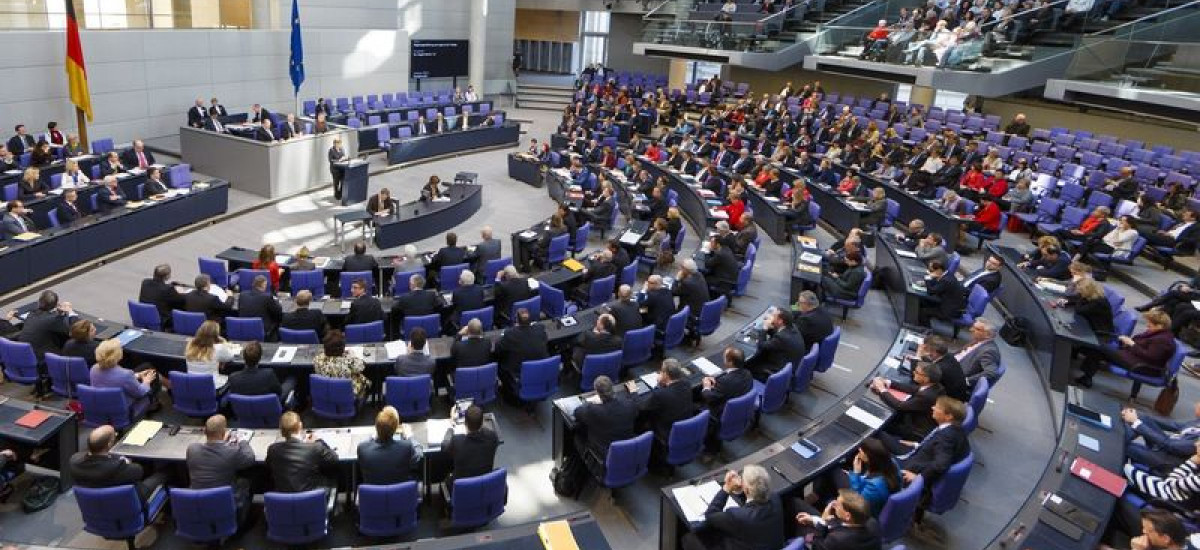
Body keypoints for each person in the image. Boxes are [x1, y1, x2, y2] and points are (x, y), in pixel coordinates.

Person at [681, 465, 786, 550]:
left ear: (747, 490)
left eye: (742, 478)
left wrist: (726, 488)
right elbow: (756, 497)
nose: (740, 478)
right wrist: (742, 490)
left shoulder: (738, 515)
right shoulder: (775, 497)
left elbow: (710, 515)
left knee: (689, 539)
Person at [69, 425, 167, 505]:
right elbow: (139, 471)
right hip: (127, 502)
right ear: (109, 444)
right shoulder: (118, 468)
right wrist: (126, 462)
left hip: (97, 502)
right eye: (115, 435)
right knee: (165, 472)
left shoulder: (74, 461)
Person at [1077, 309, 1176, 388]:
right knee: (1100, 350)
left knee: (1102, 348)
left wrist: (1132, 344)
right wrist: (1127, 342)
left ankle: (1086, 376)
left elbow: (1150, 356)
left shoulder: (1163, 340)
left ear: (1160, 326)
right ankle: (1086, 378)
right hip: (1135, 358)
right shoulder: (1159, 334)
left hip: (1142, 366)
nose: (1147, 325)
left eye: (1150, 324)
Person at [186, 414, 255, 525]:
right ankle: (242, 520)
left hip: (198, 502)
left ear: (205, 432)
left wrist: (222, 442)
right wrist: (242, 442)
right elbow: (250, 459)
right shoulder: (231, 451)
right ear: (224, 433)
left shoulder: (192, 449)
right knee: (248, 480)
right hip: (223, 502)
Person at [1123, 441, 1200, 531]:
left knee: (1120, 463)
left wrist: (1194, 461)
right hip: (1178, 495)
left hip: (1166, 494)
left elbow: (1170, 483)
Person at [897, 396, 971, 486]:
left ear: (948, 416)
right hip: (917, 457)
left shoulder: (946, 437)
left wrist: (919, 478)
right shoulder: (956, 429)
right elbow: (935, 447)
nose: (933, 408)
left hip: (909, 469)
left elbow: (940, 465)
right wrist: (917, 445)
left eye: (937, 407)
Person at [870, 362, 945, 447]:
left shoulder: (926, 396)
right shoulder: (936, 387)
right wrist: (888, 382)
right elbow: (912, 389)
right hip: (915, 420)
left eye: (917, 372)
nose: (913, 372)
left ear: (926, 378)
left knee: (875, 423)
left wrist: (882, 389)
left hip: (913, 430)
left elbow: (899, 406)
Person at [265, 412, 339, 493]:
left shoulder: (272, 450)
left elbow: (268, 465)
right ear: (300, 425)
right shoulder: (315, 447)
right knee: (331, 479)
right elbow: (334, 459)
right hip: (311, 499)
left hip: (283, 499)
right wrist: (318, 441)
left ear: (281, 430)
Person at [574, 375, 638, 466]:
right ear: (613, 389)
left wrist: (590, 403)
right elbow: (635, 403)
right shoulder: (628, 404)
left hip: (604, 455)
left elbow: (577, 412)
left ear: (597, 392)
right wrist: (633, 392)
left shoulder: (593, 410)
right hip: (626, 449)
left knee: (577, 437)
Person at [1122, 403, 1200, 475]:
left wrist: (1136, 422)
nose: (1196, 404)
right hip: (1165, 446)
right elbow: (1175, 425)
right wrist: (1136, 415)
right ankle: (1118, 436)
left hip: (1167, 461)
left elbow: (1170, 445)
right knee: (1143, 418)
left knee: (1125, 447)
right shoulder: (1198, 421)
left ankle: (1117, 444)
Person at [703, 347, 755, 453]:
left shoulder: (726, 381)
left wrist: (707, 387)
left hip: (721, 414)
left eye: (725, 357)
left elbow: (709, 397)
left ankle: (709, 446)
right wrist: (717, 383)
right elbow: (729, 388)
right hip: (740, 411)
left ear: (730, 362)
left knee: (697, 406)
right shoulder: (747, 374)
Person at [794, 490, 883, 550]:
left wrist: (822, 523)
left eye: (838, 504)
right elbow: (839, 526)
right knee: (799, 506)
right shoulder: (872, 522)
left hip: (821, 543)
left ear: (847, 516)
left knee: (800, 524)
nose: (833, 504)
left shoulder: (836, 539)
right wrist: (814, 520)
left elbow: (816, 545)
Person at [90, 339, 160, 414]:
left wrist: (137, 375)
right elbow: (140, 392)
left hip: (102, 407)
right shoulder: (125, 374)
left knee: (146, 366)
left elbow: (114, 380)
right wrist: (146, 381)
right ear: (118, 355)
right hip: (125, 411)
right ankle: (152, 406)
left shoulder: (94, 369)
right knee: (152, 377)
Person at [357, 406, 423, 485]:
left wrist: (372, 437)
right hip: (400, 494)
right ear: (395, 429)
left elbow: (366, 445)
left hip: (374, 496)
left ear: (376, 427)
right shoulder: (406, 447)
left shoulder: (362, 449)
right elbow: (418, 456)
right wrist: (410, 437)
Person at [639, 359, 695, 444]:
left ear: (665, 374)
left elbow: (642, 407)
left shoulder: (660, 394)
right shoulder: (687, 384)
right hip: (686, 426)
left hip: (667, 431)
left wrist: (658, 385)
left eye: (661, 371)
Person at [441, 404, 499, 486]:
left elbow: (444, 447)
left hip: (461, 489)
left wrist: (451, 425)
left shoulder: (457, 441)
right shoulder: (493, 437)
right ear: (482, 422)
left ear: (465, 423)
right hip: (484, 485)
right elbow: (486, 432)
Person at [226, 341, 293, 407]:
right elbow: (279, 392)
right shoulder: (268, 374)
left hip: (244, 412)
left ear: (244, 357)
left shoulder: (233, 378)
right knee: (292, 379)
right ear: (260, 357)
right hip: (268, 409)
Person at [747, 309, 806, 381]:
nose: (771, 317)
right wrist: (771, 327)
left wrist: (765, 328)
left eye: (774, 316)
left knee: (748, 364)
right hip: (789, 365)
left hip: (776, 370)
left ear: (780, 321)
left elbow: (762, 345)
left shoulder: (782, 337)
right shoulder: (792, 328)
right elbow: (778, 334)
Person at [19, 290, 75, 361]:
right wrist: (70, 312)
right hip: (41, 360)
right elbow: (71, 330)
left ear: (39, 302)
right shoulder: (52, 319)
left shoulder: (32, 314)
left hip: (24, 355)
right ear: (55, 305)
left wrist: (59, 314)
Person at [314, 330, 369, 397]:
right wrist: (351, 354)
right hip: (348, 394)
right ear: (342, 348)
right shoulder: (349, 360)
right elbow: (361, 367)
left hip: (327, 393)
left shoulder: (317, 359)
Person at [915, 336, 970, 402]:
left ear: (933, 352)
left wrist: (918, 356)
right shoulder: (948, 356)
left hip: (948, 403)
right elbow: (932, 363)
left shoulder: (940, 368)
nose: (924, 350)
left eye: (926, 349)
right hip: (957, 396)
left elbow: (917, 379)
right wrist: (923, 357)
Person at [918, 260, 967, 328]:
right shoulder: (948, 274)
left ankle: (926, 331)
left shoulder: (946, 280)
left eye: (931, 270)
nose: (929, 272)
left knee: (923, 312)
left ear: (939, 270)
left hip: (949, 310)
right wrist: (926, 282)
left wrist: (928, 278)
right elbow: (937, 285)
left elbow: (931, 292)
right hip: (948, 302)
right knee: (922, 302)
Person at [957, 319, 1002, 386]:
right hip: (953, 365)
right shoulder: (977, 341)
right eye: (973, 327)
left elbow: (991, 373)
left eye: (977, 329)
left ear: (988, 334)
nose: (971, 329)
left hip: (958, 377)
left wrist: (966, 381)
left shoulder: (989, 351)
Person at [238, 274, 283, 339]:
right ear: (263, 285)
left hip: (243, 329)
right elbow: (278, 311)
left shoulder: (242, 295)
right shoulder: (267, 297)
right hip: (262, 331)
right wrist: (277, 302)